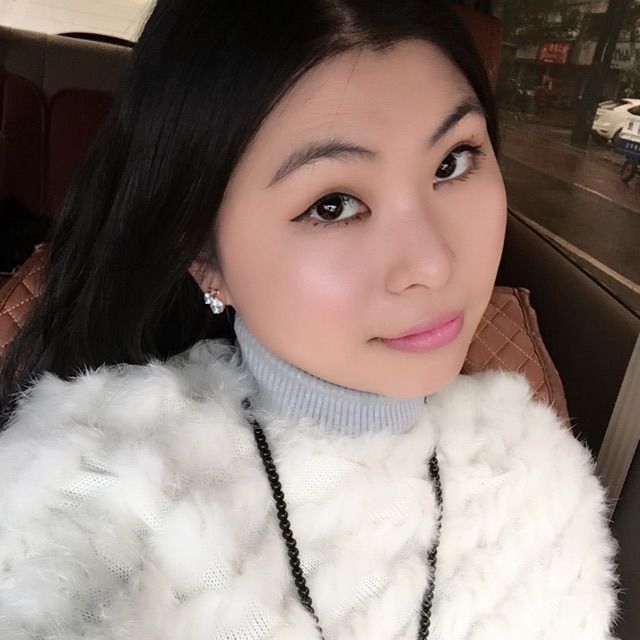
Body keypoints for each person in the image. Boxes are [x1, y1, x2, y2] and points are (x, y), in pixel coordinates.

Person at [0, 1, 619, 638]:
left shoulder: (539, 483)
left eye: (451, 163)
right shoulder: (88, 504)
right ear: (204, 256)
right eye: (333, 205)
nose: (433, 265)